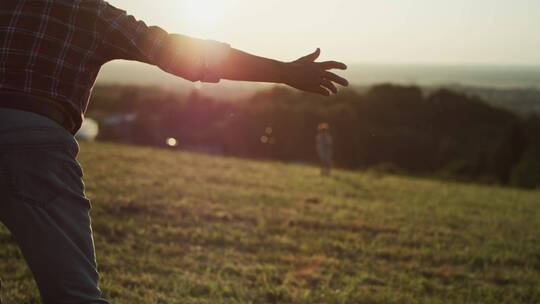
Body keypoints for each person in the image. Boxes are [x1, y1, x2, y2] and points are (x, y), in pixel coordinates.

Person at [0, 1, 348, 303]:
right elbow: (185, 53)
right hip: (36, 147)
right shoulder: (90, 13)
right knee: (73, 296)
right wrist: (283, 71)